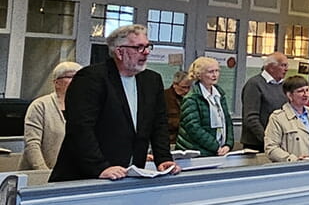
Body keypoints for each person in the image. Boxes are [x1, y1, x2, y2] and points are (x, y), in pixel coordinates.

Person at [51, 25, 180, 181]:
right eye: (139, 47)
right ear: (119, 52)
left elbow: (159, 124)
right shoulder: (91, 78)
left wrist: (164, 158)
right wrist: (100, 167)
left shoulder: (152, 80)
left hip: (132, 174)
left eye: (147, 46)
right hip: (86, 175)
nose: (146, 52)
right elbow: (80, 128)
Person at [20, 61, 81, 170]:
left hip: (74, 175)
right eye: (72, 76)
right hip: (41, 176)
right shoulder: (40, 106)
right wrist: (43, 172)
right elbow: (32, 144)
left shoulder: (85, 107)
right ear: (57, 82)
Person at [177, 56, 233, 157]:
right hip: (196, 152)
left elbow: (227, 121)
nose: (215, 75)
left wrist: (228, 144)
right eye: (210, 72)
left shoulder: (219, 95)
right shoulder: (192, 97)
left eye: (217, 71)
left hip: (218, 150)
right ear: (199, 75)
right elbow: (193, 128)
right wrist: (215, 146)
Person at [264, 75, 309, 162]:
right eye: (300, 91)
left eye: (307, 90)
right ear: (289, 95)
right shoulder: (278, 118)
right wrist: (292, 159)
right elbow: (271, 148)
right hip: (291, 169)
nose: (306, 94)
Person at [240, 52, 289, 152]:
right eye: (283, 65)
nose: (286, 69)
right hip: (257, 145)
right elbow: (251, 118)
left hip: (279, 144)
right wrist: (268, 140)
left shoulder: (283, 86)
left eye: (286, 65)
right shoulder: (254, 84)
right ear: (271, 67)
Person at [163, 69, 193, 144]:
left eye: (188, 87)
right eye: (183, 87)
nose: (186, 91)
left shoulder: (191, 98)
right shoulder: (163, 97)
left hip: (186, 141)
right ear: (174, 84)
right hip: (169, 140)